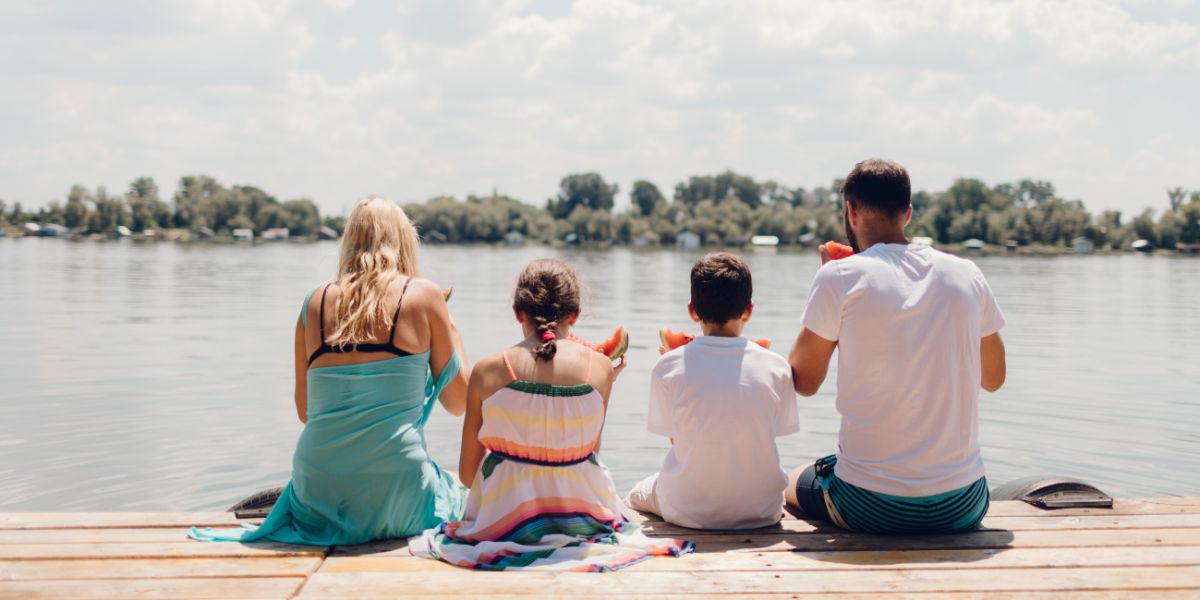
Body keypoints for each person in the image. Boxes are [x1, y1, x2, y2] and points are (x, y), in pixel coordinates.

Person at [189, 195, 470, 546]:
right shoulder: (425, 295)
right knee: (457, 493)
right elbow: (459, 402)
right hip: (399, 491)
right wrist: (451, 327)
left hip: (320, 491)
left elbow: (307, 412)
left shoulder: (314, 302)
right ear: (404, 243)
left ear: (348, 243)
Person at [410, 259, 693, 570]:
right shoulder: (598, 368)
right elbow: (590, 454)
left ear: (518, 311)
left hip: (502, 522)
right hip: (583, 521)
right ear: (575, 315)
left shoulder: (487, 370)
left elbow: (466, 474)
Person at [786, 159, 1007, 535]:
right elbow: (994, 378)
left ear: (850, 211)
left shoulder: (838, 276)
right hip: (963, 505)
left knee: (794, 479)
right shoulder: (967, 273)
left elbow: (803, 382)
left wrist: (831, 291)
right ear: (907, 213)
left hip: (868, 507)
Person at [625, 252, 799, 530]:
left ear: (692, 310)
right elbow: (765, 435)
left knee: (634, 495)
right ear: (749, 310)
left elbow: (679, 441)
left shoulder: (667, 366)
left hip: (687, 510)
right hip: (763, 510)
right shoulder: (777, 366)